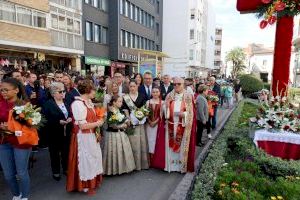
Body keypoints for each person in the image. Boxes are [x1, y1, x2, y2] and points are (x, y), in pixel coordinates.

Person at [66, 80, 104, 195]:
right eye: (93, 90)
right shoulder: (78, 104)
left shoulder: (88, 102)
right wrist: (99, 123)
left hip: (91, 136)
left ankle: (91, 181)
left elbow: (91, 119)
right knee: (85, 160)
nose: (95, 93)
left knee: (93, 158)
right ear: (88, 91)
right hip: (83, 137)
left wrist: (98, 120)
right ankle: (85, 184)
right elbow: (82, 126)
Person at [0, 78, 32, 200]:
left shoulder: (25, 105)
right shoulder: (0, 104)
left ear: (16, 90)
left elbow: (32, 124)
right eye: (1, 90)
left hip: (21, 143)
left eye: (6, 90)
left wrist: (12, 126)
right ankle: (16, 194)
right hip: (3, 142)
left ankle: (24, 196)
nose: (3, 92)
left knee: (21, 172)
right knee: (8, 175)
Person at [164, 77, 196, 173]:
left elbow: (192, 113)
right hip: (170, 125)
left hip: (183, 126)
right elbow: (165, 110)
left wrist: (184, 115)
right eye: (174, 84)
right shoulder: (169, 96)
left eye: (179, 84)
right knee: (170, 146)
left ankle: (180, 167)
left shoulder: (188, 97)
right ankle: (171, 167)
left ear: (183, 85)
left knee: (181, 147)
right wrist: (166, 109)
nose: (176, 86)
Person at [42, 82, 72, 181]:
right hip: (53, 133)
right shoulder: (48, 104)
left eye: (64, 91)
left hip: (66, 132)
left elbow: (70, 114)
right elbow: (44, 120)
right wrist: (58, 121)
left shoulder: (66, 102)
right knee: (54, 153)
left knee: (65, 151)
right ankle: (56, 171)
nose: (63, 93)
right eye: (60, 91)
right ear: (53, 93)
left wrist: (70, 118)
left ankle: (66, 168)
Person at [103, 95, 136, 175]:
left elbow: (124, 119)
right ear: (114, 102)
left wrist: (127, 121)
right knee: (114, 151)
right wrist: (123, 125)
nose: (121, 103)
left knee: (121, 151)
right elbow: (111, 125)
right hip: (113, 134)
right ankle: (113, 169)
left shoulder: (120, 111)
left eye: (121, 101)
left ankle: (122, 168)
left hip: (121, 133)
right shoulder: (111, 112)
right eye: (119, 101)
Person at [122, 79, 149, 170]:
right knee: (131, 142)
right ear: (128, 87)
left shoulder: (142, 95)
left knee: (140, 142)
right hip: (130, 123)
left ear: (137, 86)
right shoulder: (125, 97)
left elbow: (145, 108)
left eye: (134, 86)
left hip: (140, 123)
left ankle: (141, 164)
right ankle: (132, 165)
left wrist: (140, 117)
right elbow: (125, 109)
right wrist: (128, 118)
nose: (132, 88)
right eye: (131, 86)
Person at [145, 87, 164, 163]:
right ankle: (149, 159)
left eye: (157, 92)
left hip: (157, 125)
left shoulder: (162, 102)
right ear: (151, 93)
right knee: (149, 140)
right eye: (153, 92)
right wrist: (149, 121)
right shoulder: (148, 102)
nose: (155, 93)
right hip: (148, 125)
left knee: (156, 140)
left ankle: (155, 159)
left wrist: (155, 122)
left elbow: (162, 115)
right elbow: (146, 114)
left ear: (159, 93)